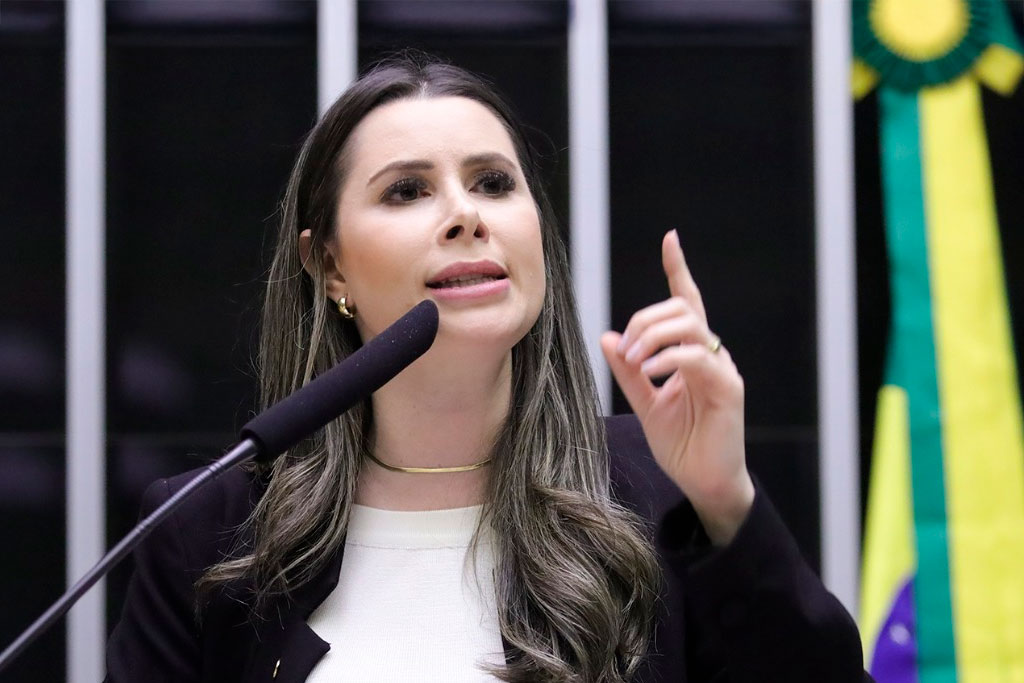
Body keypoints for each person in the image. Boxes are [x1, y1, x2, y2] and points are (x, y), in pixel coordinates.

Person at [105, 54, 869, 682]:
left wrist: (725, 502)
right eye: (407, 190)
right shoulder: (208, 531)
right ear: (328, 265)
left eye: (494, 183)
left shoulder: (664, 492)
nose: (467, 214)